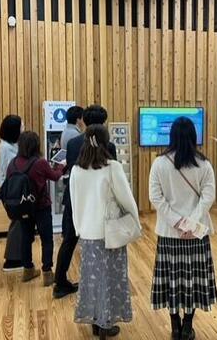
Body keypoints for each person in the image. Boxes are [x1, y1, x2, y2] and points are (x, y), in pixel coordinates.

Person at [150, 117, 217, 340]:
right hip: (196, 234)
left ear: (172, 136)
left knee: (171, 280)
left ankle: (174, 325)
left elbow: (155, 198)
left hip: (169, 233)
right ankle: (187, 325)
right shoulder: (204, 164)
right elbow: (208, 197)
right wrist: (191, 223)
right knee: (193, 280)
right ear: (193, 137)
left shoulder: (159, 163)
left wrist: (177, 222)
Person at [70, 124, 140, 339]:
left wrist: (79, 227)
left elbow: (74, 202)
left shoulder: (76, 170)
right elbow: (126, 199)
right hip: (110, 233)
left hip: (87, 233)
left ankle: (94, 319)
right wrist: (135, 221)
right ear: (105, 142)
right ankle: (106, 323)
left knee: (92, 280)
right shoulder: (112, 167)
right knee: (111, 279)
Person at [54, 105, 117, 299]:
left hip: (75, 198)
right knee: (102, 242)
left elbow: (71, 170)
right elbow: (113, 178)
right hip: (99, 201)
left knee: (69, 240)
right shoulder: (109, 146)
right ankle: (102, 283)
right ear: (103, 123)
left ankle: (59, 282)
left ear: (85, 121)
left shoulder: (73, 143)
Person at [7, 131, 64, 286]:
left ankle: (28, 269)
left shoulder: (13, 163)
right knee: (46, 239)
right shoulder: (40, 163)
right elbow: (55, 176)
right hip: (41, 206)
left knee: (26, 237)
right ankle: (47, 272)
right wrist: (61, 166)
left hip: (23, 207)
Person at [0, 115, 24, 272]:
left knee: (18, 222)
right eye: (21, 126)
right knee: (17, 222)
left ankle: (17, 256)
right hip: (11, 190)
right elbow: (13, 169)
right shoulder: (7, 148)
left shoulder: (9, 145)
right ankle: (12, 261)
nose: (23, 129)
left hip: (11, 188)